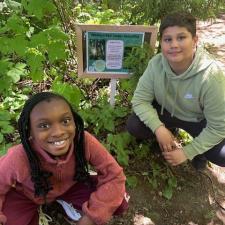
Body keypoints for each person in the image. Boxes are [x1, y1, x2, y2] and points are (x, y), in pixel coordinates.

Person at [0, 92, 129, 225]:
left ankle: (64, 202)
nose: (58, 132)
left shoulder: (83, 141)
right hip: (28, 196)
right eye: (44, 125)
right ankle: (38, 211)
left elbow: (115, 176)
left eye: (65, 121)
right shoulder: (18, 157)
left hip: (71, 187)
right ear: (30, 131)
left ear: (74, 121)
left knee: (119, 201)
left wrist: (91, 217)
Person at [126, 12, 225, 169]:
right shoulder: (156, 64)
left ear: (194, 41)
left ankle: (201, 154)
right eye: (168, 39)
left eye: (181, 37)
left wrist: (187, 152)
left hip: (197, 120)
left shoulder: (211, 75)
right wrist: (159, 129)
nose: (174, 45)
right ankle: (166, 134)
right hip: (167, 113)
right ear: (162, 43)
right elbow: (139, 100)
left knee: (222, 155)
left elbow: (219, 127)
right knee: (134, 125)